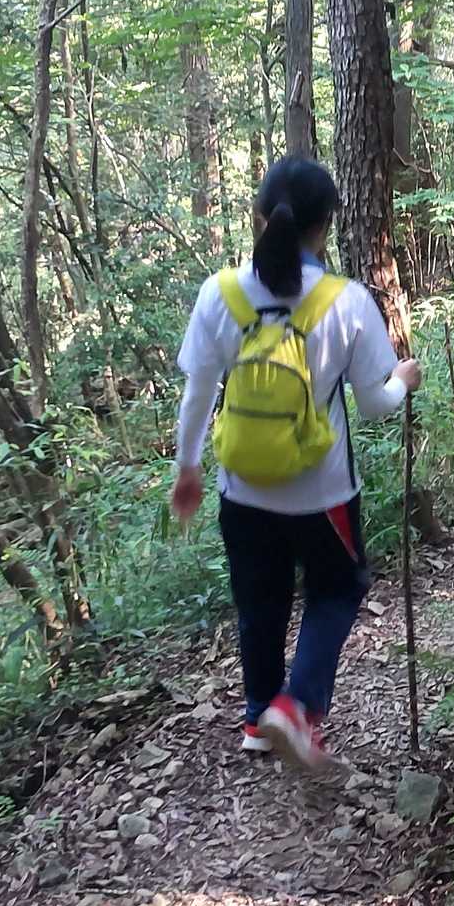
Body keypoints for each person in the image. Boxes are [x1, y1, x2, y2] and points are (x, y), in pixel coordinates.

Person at [169, 156, 423, 773]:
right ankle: (298, 707)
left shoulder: (220, 294)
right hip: (323, 493)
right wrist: (404, 380)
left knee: (259, 601)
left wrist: (188, 469)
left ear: (260, 217)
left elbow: (198, 394)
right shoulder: (348, 301)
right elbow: (374, 407)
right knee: (338, 589)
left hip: (242, 490)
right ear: (326, 226)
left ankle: (259, 716)